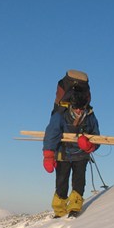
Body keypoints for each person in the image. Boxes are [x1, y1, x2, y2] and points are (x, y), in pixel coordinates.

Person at [42, 90, 100, 218]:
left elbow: (96, 137)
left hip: (81, 155)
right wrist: (48, 155)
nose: (79, 111)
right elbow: (51, 135)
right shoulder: (60, 115)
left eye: (81, 108)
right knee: (61, 182)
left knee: (79, 182)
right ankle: (59, 210)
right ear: (71, 105)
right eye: (76, 108)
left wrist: (90, 146)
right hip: (64, 154)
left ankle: (74, 207)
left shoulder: (90, 116)